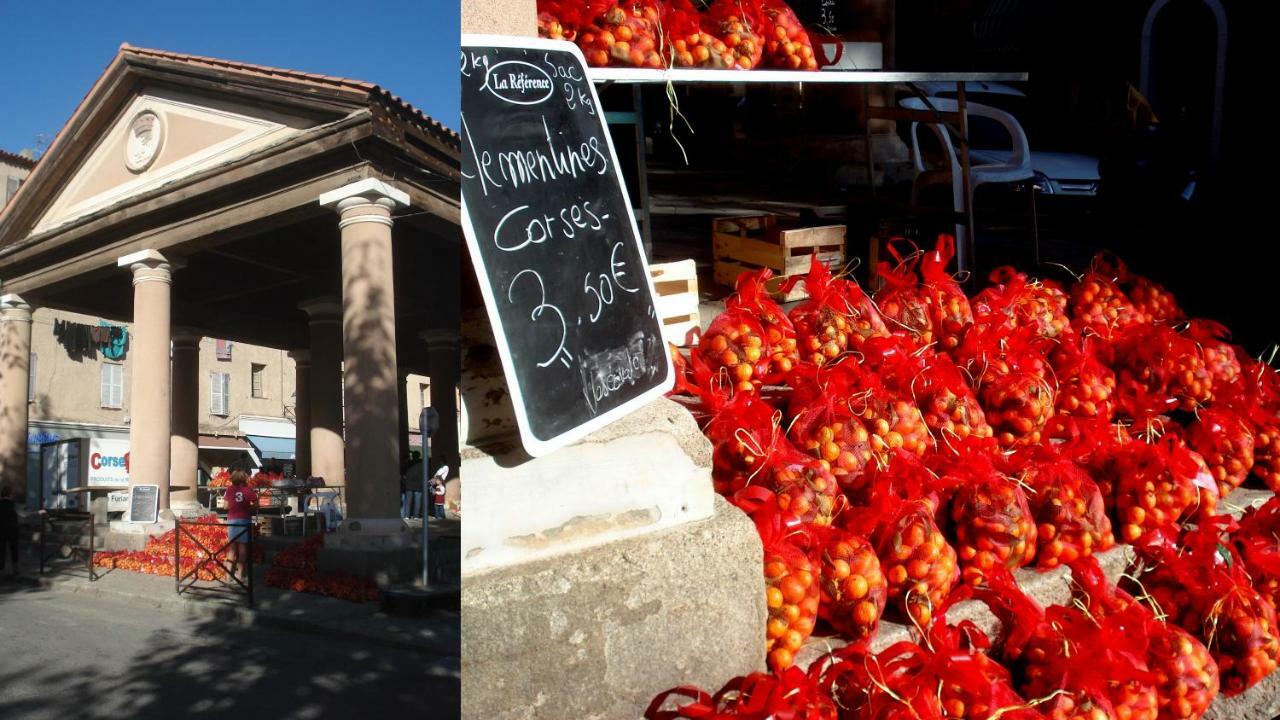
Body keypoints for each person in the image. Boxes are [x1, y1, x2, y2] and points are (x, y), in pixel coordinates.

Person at [224, 470, 257, 583]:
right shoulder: (248, 490)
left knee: (232, 549)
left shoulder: (229, 490)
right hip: (244, 519)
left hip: (232, 520)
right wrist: (247, 508)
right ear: (245, 479)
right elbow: (257, 505)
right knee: (242, 549)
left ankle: (228, 576)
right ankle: (240, 575)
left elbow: (225, 506)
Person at [1, 486, 19, 578]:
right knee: (14, 550)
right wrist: (37, 512)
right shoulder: (13, 504)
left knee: (1, 551)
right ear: (10, 494)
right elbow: (23, 514)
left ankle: (1, 572)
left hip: (1, 531)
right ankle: (15, 570)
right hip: (12, 530)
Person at [401, 451, 424, 519]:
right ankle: (416, 516)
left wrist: (404, 480)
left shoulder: (409, 463)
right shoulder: (422, 464)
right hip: (419, 485)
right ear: (419, 456)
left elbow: (403, 473)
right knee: (417, 502)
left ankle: (407, 516)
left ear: (413, 456)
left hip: (409, 485)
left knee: (408, 502)